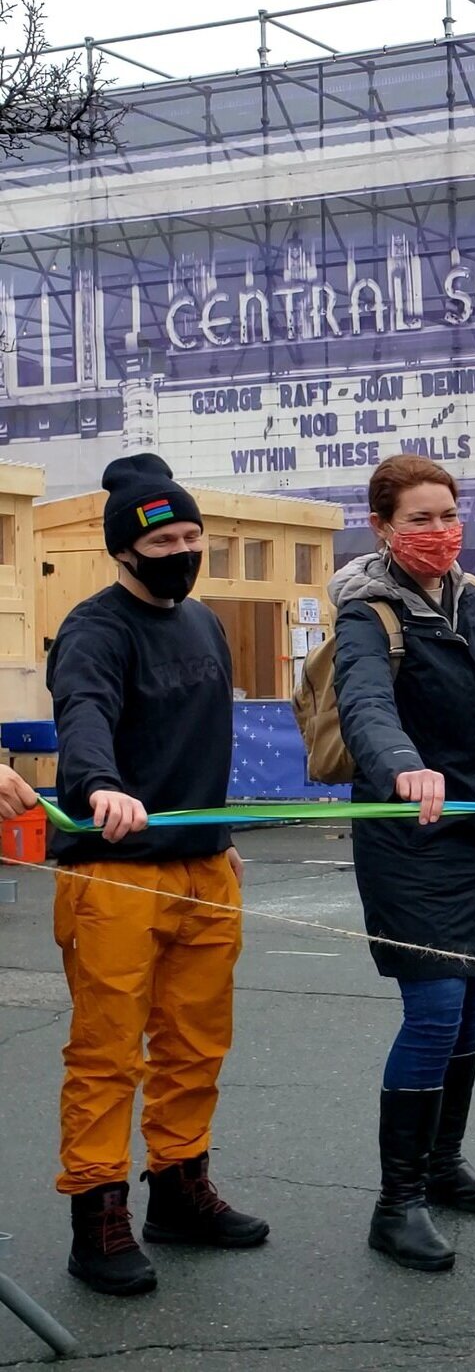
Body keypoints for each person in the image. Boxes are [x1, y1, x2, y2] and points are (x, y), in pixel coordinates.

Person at [47, 453, 267, 1298]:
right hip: (114, 874)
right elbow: (85, 713)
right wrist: (99, 785)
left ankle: (179, 1188)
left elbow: (199, 743)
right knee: (107, 1052)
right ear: (124, 550)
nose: (182, 552)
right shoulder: (94, 631)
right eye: (164, 541)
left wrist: (216, 833)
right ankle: (97, 1212)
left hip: (203, 866)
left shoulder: (204, 624)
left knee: (196, 1044)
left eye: (191, 536)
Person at [330, 454, 475, 1274]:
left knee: (472, 1004)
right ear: (382, 526)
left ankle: (444, 1167)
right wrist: (404, 765)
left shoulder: (474, 598)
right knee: (435, 1009)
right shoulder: (367, 610)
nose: (440, 531)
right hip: (412, 837)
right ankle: (398, 1203)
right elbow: (365, 704)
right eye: (420, 518)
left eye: (449, 514)